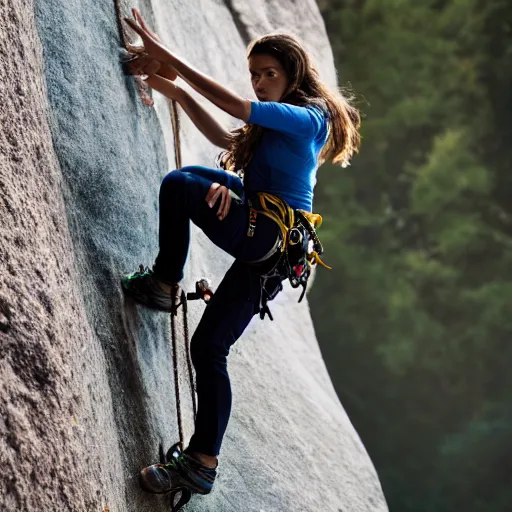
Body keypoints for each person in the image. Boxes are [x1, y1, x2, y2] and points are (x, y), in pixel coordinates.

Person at [121, 7, 361, 498]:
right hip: (263, 232)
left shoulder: (308, 117)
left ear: (293, 75)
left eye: (269, 74)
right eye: (254, 74)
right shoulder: (275, 125)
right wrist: (170, 84)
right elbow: (226, 134)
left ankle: (165, 287)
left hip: (270, 239)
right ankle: (202, 461)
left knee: (185, 189)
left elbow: (236, 107)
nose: (259, 83)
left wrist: (168, 56)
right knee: (208, 346)